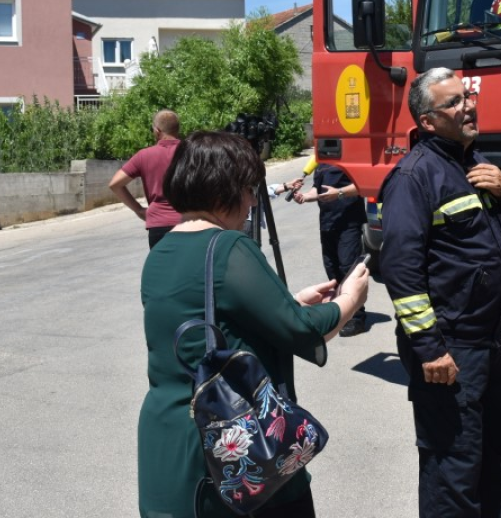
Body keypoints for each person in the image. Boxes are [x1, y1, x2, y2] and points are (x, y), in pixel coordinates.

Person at [137, 131, 369, 518]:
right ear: (223, 190)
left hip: (170, 444)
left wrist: (289, 301)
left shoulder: (161, 252)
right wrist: (349, 299)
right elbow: (301, 330)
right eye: (248, 189)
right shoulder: (228, 247)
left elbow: (213, 318)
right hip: (234, 446)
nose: (252, 201)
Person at [379, 67, 501, 517]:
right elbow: (400, 270)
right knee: (453, 476)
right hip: (450, 351)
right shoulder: (414, 177)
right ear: (427, 121)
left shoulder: (475, 164)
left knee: (499, 464)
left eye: (468, 97)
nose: (469, 106)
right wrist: (430, 349)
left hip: (487, 343)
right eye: (455, 102)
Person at [294, 157, 369, 337]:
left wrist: (339, 193)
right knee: (332, 268)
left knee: (348, 268)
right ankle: (340, 311)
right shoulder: (321, 162)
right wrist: (306, 196)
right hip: (328, 223)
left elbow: (363, 185)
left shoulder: (350, 156)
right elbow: (317, 189)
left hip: (348, 223)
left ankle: (357, 317)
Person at [109, 110, 182, 248]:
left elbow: (115, 184)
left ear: (157, 131)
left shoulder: (144, 155)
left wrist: (139, 210)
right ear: (178, 129)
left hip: (158, 226)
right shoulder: (192, 152)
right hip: (189, 222)